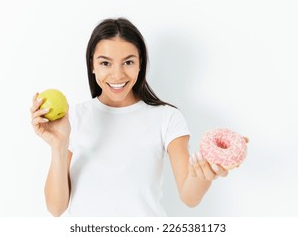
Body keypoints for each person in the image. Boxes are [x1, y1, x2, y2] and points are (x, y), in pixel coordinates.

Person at [30, 18, 245, 216]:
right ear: (92, 65)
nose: (117, 75)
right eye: (105, 63)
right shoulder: (74, 117)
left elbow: (189, 197)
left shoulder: (167, 118)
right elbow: (56, 208)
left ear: (140, 63)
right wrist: (59, 146)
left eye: (128, 62)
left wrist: (203, 176)